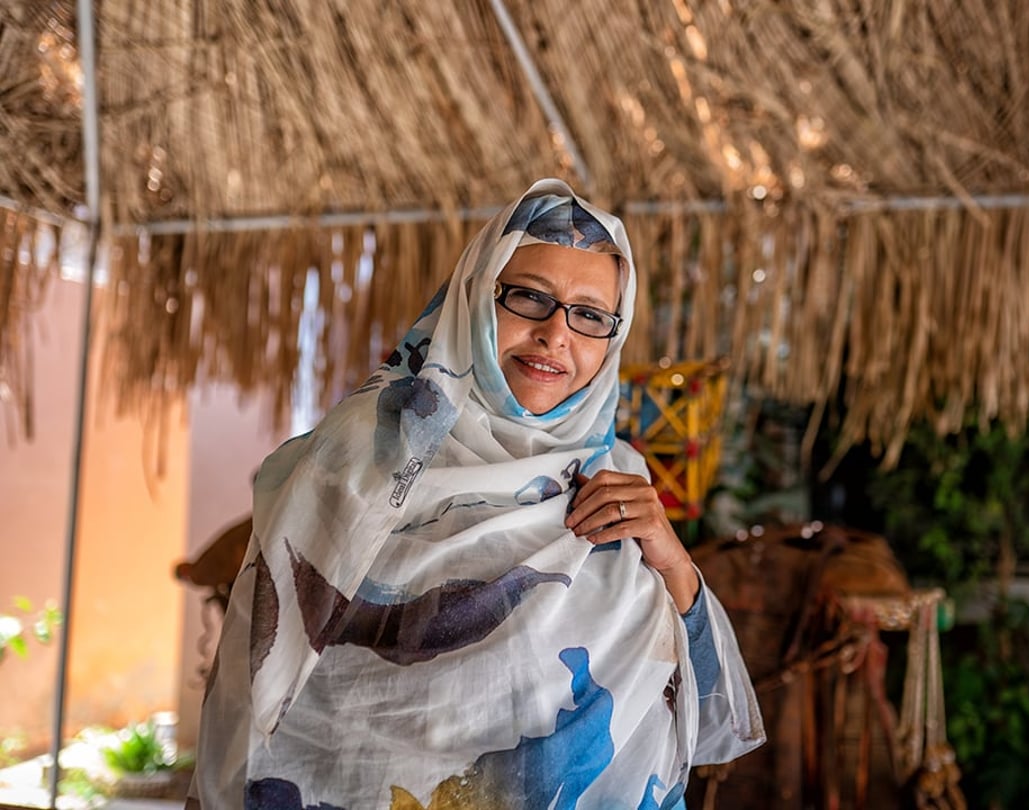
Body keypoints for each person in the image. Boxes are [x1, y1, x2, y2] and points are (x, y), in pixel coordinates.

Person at [189, 178, 764, 809]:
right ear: (473, 299)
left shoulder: (620, 480)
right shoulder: (358, 460)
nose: (556, 334)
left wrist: (671, 559)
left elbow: (707, 715)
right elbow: (263, 694)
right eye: (529, 297)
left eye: (591, 314)